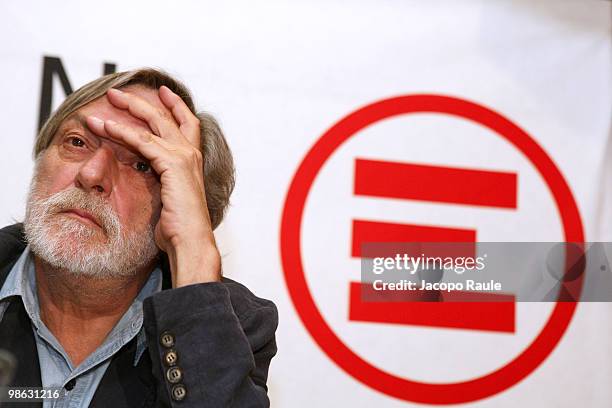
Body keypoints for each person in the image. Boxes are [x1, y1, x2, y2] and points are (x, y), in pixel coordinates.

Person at [0, 68, 278, 407]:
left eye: (142, 165)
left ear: (181, 205)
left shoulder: (233, 326)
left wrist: (194, 253)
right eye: (76, 142)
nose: (91, 174)